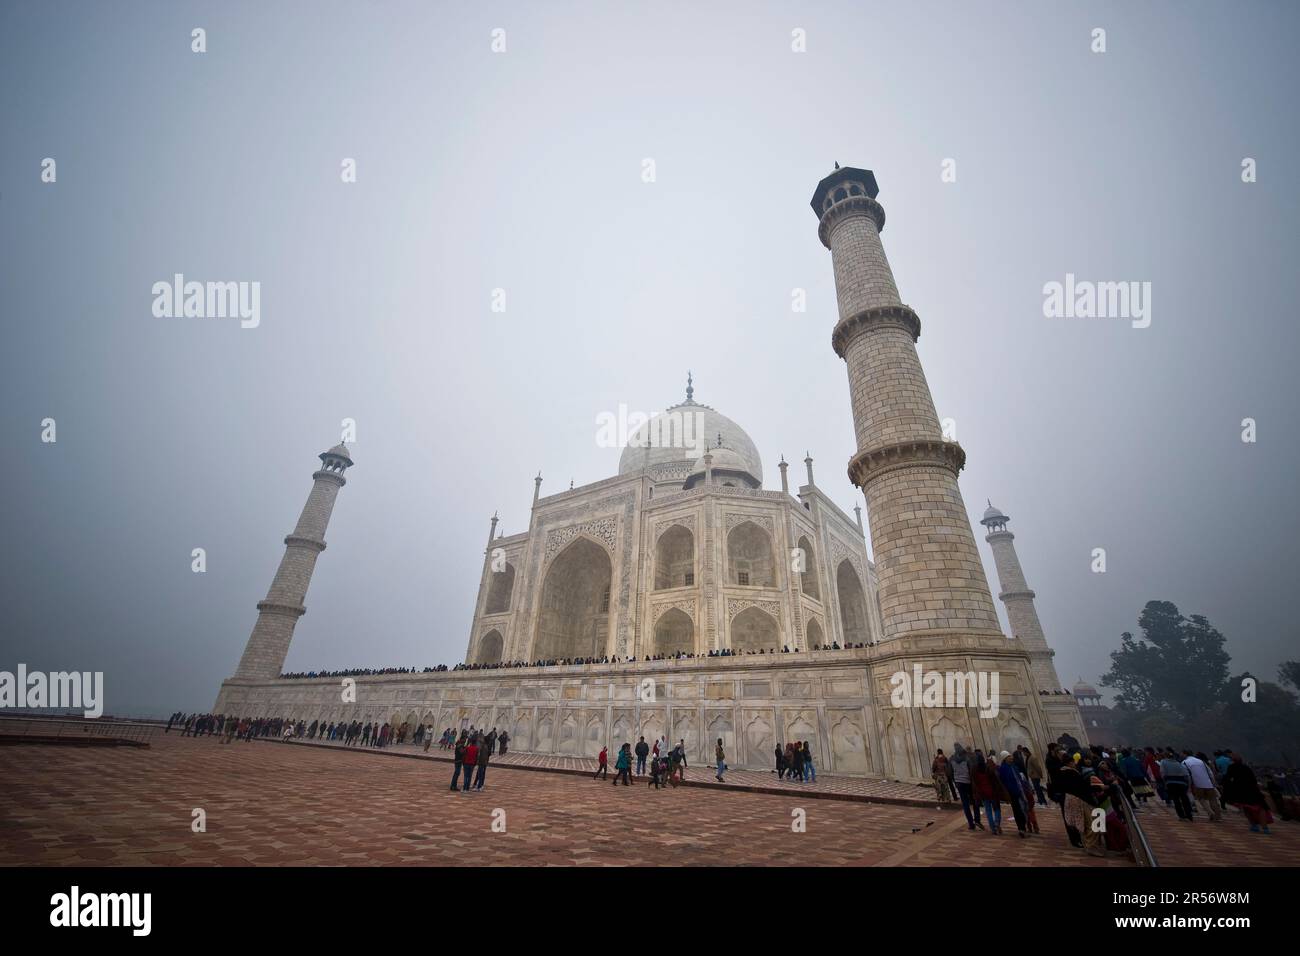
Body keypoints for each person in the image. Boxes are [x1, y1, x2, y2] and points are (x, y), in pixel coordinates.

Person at [1220, 754, 1273, 833]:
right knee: (1261, 808)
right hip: (1253, 790)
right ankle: (1265, 828)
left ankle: (1254, 825)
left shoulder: (1231, 767)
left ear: (1232, 761)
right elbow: (1254, 780)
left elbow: (1227, 778)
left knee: (1246, 808)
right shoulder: (1246, 768)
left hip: (1241, 790)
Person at [997, 751, 1030, 838]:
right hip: (1013, 792)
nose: (1011, 758)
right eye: (1009, 757)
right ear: (1005, 759)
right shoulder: (1003, 769)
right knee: (1017, 810)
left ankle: (1024, 827)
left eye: (1011, 756)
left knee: (1023, 808)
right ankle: (1021, 828)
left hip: (1020, 791)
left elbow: (1019, 778)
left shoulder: (1014, 766)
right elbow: (1004, 782)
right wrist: (1011, 790)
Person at [1182, 751, 1223, 821]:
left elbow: (1187, 775)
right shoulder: (1201, 761)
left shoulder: (1184, 762)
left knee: (1201, 799)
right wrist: (1213, 783)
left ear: (1185, 754)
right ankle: (1218, 816)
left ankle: (1210, 812)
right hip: (1208, 783)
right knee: (1213, 799)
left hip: (1197, 784)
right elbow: (1210, 772)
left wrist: (1189, 786)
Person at [950, 744, 982, 830]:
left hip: (959, 783)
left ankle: (971, 823)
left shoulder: (952, 758)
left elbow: (950, 771)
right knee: (974, 800)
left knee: (965, 804)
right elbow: (971, 769)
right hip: (968, 782)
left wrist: (955, 781)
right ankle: (977, 819)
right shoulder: (967, 758)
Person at [1158, 750, 1194, 820]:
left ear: (1165, 756)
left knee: (1176, 799)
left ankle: (1181, 815)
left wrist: (1165, 782)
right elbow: (1186, 775)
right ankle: (1189, 814)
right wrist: (1188, 785)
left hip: (1171, 782)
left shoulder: (1163, 762)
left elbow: (1162, 773)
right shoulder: (1178, 763)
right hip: (1182, 783)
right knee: (1184, 798)